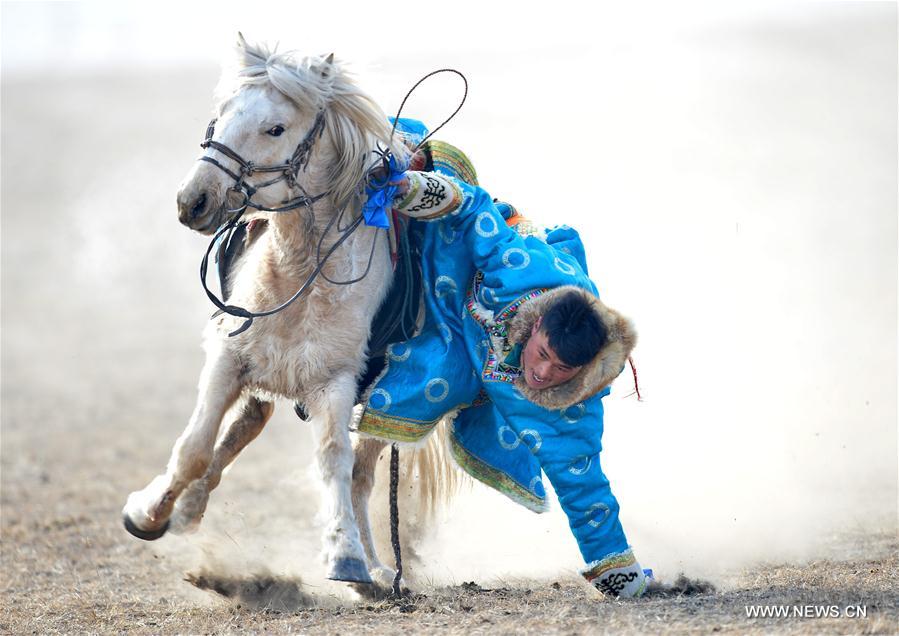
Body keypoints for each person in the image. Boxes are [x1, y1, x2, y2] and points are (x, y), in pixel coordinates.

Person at [356, 124, 649, 598]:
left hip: (466, 357)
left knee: (445, 377)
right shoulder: (519, 269)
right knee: (407, 160)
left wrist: (625, 580)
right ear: (535, 328)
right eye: (544, 356)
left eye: (562, 371)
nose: (543, 373)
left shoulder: (566, 406)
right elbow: (474, 207)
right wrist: (413, 186)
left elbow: (586, 490)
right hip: (463, 277)